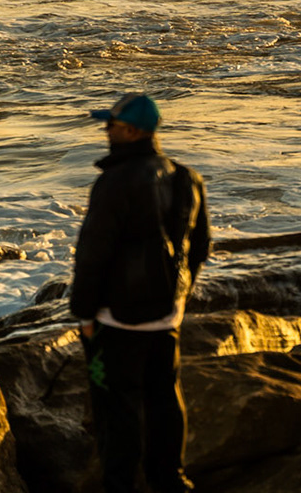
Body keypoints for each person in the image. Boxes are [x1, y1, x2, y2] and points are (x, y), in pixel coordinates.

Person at [71, 92, 211, 493]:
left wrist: (83, 313)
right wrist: (179, 298)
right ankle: (171, 480)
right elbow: (200, 247)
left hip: (116, 317)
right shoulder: (186, 177)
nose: (106, 130)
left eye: (111, 124)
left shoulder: (114, 182)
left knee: (117, 407)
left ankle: (120, 485)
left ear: (132, 131)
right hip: (166, 315)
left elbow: (93, 254)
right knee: (165, 398)